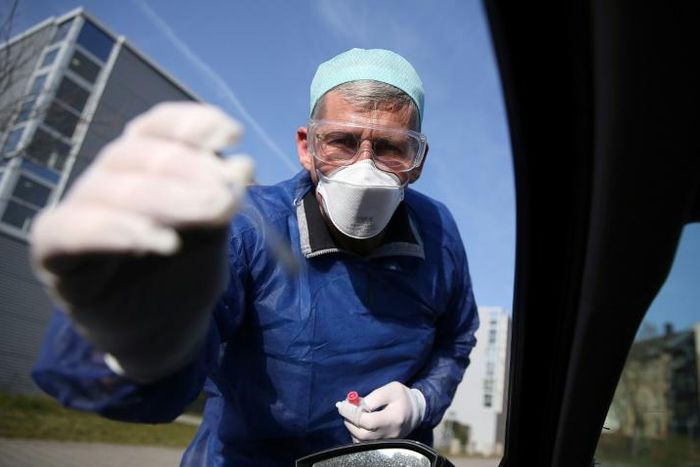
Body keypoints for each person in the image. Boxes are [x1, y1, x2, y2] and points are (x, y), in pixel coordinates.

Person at [30, 48, 479, 466]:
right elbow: (166, 382)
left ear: (416, 160)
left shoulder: (438, 234)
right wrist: (131, 338)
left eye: (390, 147)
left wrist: (421, 400)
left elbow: (456, 339)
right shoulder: (246, 228)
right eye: (342, 141)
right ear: (307, 147)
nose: (365, 169)